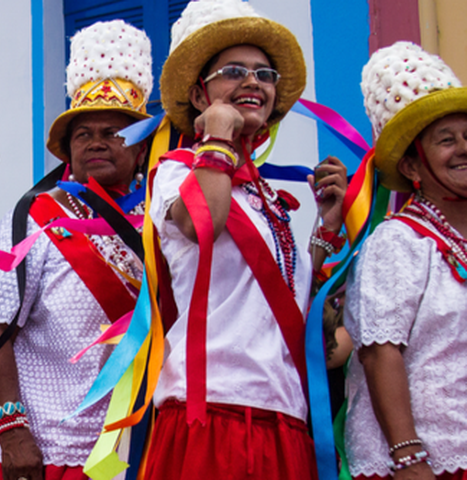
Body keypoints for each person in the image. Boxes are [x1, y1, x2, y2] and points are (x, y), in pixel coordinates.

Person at [142, 0, 347, 478]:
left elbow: (296, 321)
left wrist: (328, 231)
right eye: (233, 71)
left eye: (264, 73)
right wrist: (216, 139)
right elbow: (201, 224)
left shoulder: (270, 199)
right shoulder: (177, 171)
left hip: (285, 417)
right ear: (199, 94)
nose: (253, 82)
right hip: (211, 411)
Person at [0, 20, 152, 480]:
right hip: (47, 449)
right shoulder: (33, 216)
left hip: (135, 447)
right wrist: (12, 430)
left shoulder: (161, 219)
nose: (95, 141)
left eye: (113, 131)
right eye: (83, 133)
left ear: (142, 145)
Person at [344, 41, 467, 480]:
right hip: (425, 463)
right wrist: (409, 457)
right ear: (413, 167)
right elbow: (381, 354)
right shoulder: (397, 242)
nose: (463, 149)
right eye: (447, 141)